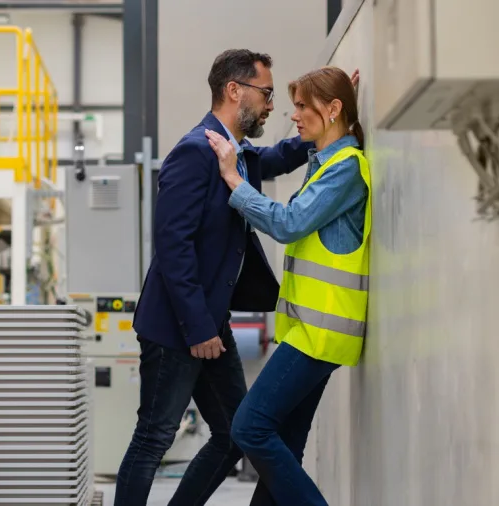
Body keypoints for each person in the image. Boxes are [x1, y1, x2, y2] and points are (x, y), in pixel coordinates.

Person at [114, 49, 358, 505]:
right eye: (266, 93)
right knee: (154, 437)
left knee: (232, 434)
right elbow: (172, 249)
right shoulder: (195, 151)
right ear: (234, 90)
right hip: (178, 326)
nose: (271, 105)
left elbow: (276, 157)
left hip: (211, 323)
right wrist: (199, 328)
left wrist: (328, 119)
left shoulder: (235, 151)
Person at [204, 66, 370, 506]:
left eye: (302, 106)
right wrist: (334, 110)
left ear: (333, 109)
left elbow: (289, 223)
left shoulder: (346, 170)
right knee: (287, 443)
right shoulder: (327, 164)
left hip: (320, 334)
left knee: (248, 427)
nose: (293, 115)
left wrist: (233, 180)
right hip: (308, 329)